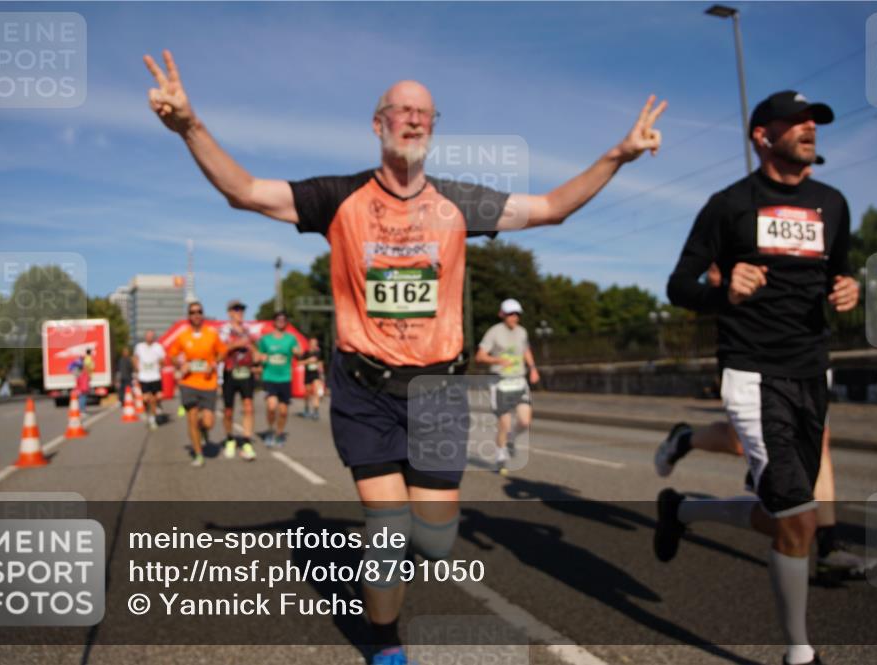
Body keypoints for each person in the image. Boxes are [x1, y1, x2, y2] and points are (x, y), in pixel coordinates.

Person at [145, 49, 664, 664]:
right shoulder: (337, 197)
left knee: (438, 539)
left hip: (441, 391)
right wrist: (190, 126)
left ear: (433, 127)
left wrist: (618, 155)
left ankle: (390, 567)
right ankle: (385, 642)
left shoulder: (458, 204)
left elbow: (551, 208)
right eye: (402, 111)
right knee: (389, 532)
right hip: (366, 388)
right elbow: (246, 192)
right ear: (378, 124)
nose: (414, 121)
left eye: (425, 114)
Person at [659, 90, 858, 665]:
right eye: (794, 122)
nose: (808, 129)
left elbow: (839, 274)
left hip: (811, 370)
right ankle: (799, 653)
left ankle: (684, 510)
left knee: (780, 513)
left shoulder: (833, 203)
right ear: (762, 136)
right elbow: (679, 286)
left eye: (813, 122)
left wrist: (848, 289)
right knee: (797, 516)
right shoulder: (729, 206)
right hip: (752, 372)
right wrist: (723, 290)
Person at [475, 298, 540, 475]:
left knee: (525, 421)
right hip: (500, 383)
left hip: (519, 381)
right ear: (502, 315)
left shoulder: (522, 332)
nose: (514, 317)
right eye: (511, 314)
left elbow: (526, 350)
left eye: (517, 314)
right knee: (504, 423)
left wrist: (533, 368)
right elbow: (480, 356)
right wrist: (496, 360)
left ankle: (511, 439)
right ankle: (500, 456)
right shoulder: (494, 332)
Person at [167, 301, 226, 467]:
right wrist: (180, 364)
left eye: (199, 311)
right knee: (192, 418)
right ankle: (198, 453)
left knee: (208, 422)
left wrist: (214, 363)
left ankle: (204, 431)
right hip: (189, 383)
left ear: (203, 314)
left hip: (208, 383)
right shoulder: (183, 336)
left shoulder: (211, 334)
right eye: (192, 312)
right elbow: (172, 354)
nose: (196, 315)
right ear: (189, 316)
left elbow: (222, 351)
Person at [254, 311, 301, 447]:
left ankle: (279, 433)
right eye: (279, 319)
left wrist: (297, 352)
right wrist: (260, 357)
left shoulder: (291, 339)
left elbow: (298, 352)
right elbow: (258, 355)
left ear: (286, 323)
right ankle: (270, 430)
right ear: (274, 322)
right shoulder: (265, 339)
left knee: (283, 411)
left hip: (285, 378)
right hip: (270, 377)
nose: (281, 321)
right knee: (271, 406)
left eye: (284, 319)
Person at [220, 299, 258, 460]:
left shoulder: (249, 330)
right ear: (229, 312)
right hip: (230, 372)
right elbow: (221, 350)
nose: (239, 312)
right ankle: (230, 438)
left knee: (248, 407)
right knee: (229, 411)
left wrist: (256, 354)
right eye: (236, 309)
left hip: (246, 373)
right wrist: (236, 344)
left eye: (242, 309)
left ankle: (246, 441)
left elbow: (254, 350)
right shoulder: (224, 330)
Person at [134, 330, 167, 430]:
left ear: (154, 337)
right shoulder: (139, 347)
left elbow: (163, 360)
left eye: (151, 336)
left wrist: (160, 365)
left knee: (156, 397)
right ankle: (150, 412)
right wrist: (137, 368)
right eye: (148, 336)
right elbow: (135, 358)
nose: (150, 337)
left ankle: (153, 418)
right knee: (146, 398)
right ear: (145, 337)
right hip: (144, 376)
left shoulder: (158, 347)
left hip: (155, 376)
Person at [297, 336, 325, 421]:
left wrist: (322, 374)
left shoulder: (319, 352)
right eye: (312, 343)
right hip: (308, 375)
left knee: (316, 392)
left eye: (315, 343)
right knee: (307, 393)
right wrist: (308, 361)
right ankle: (306, 408)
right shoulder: (306, 353)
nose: (314, 345)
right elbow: (299, 363)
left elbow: (321, 363)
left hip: (316, 375)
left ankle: (316, 411)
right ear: (309, 343)